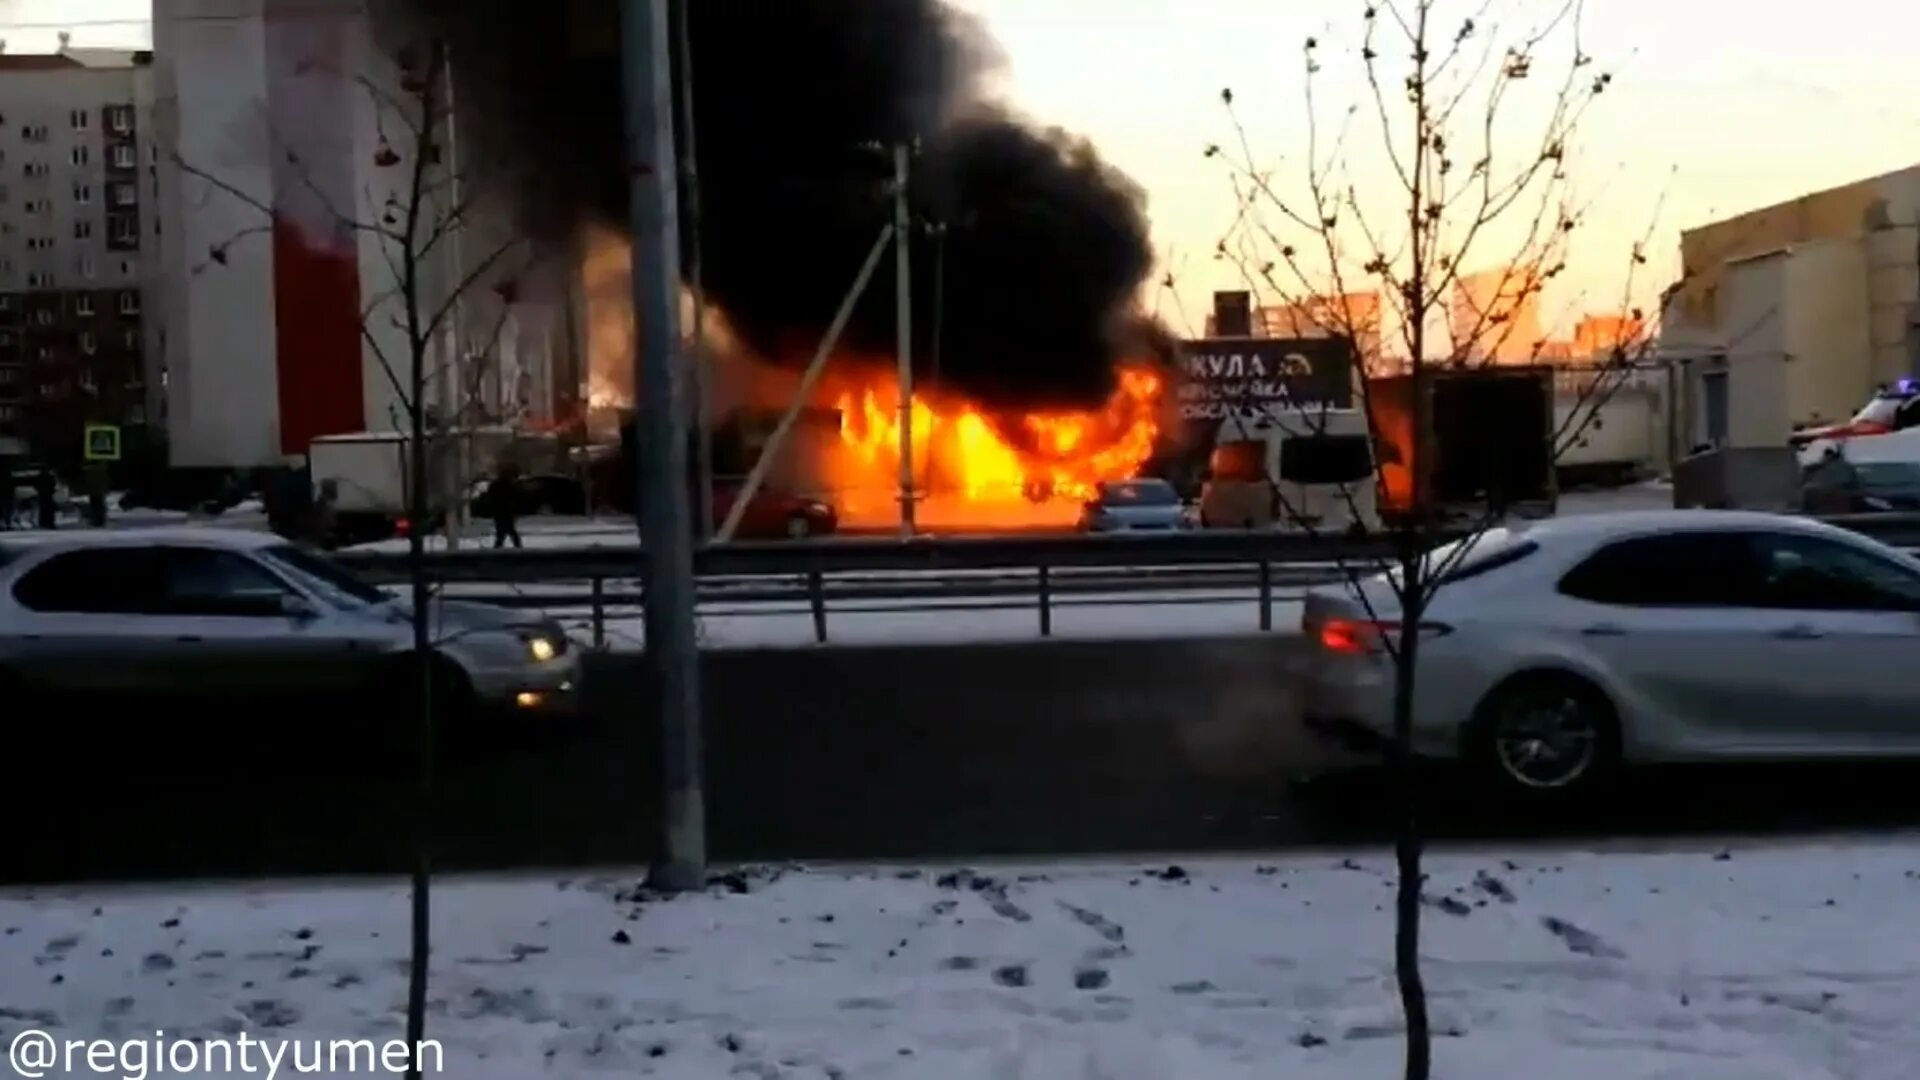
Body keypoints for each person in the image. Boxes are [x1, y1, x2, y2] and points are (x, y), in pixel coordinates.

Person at [486, 463, 523, 549]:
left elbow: (490, 498)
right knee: (509, 530)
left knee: (503, 530)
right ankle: (515, 546)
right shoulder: (509, 485)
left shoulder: (496, 485)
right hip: (506, 511)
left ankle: (499, 546)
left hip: (499, 511)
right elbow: (515, 498)